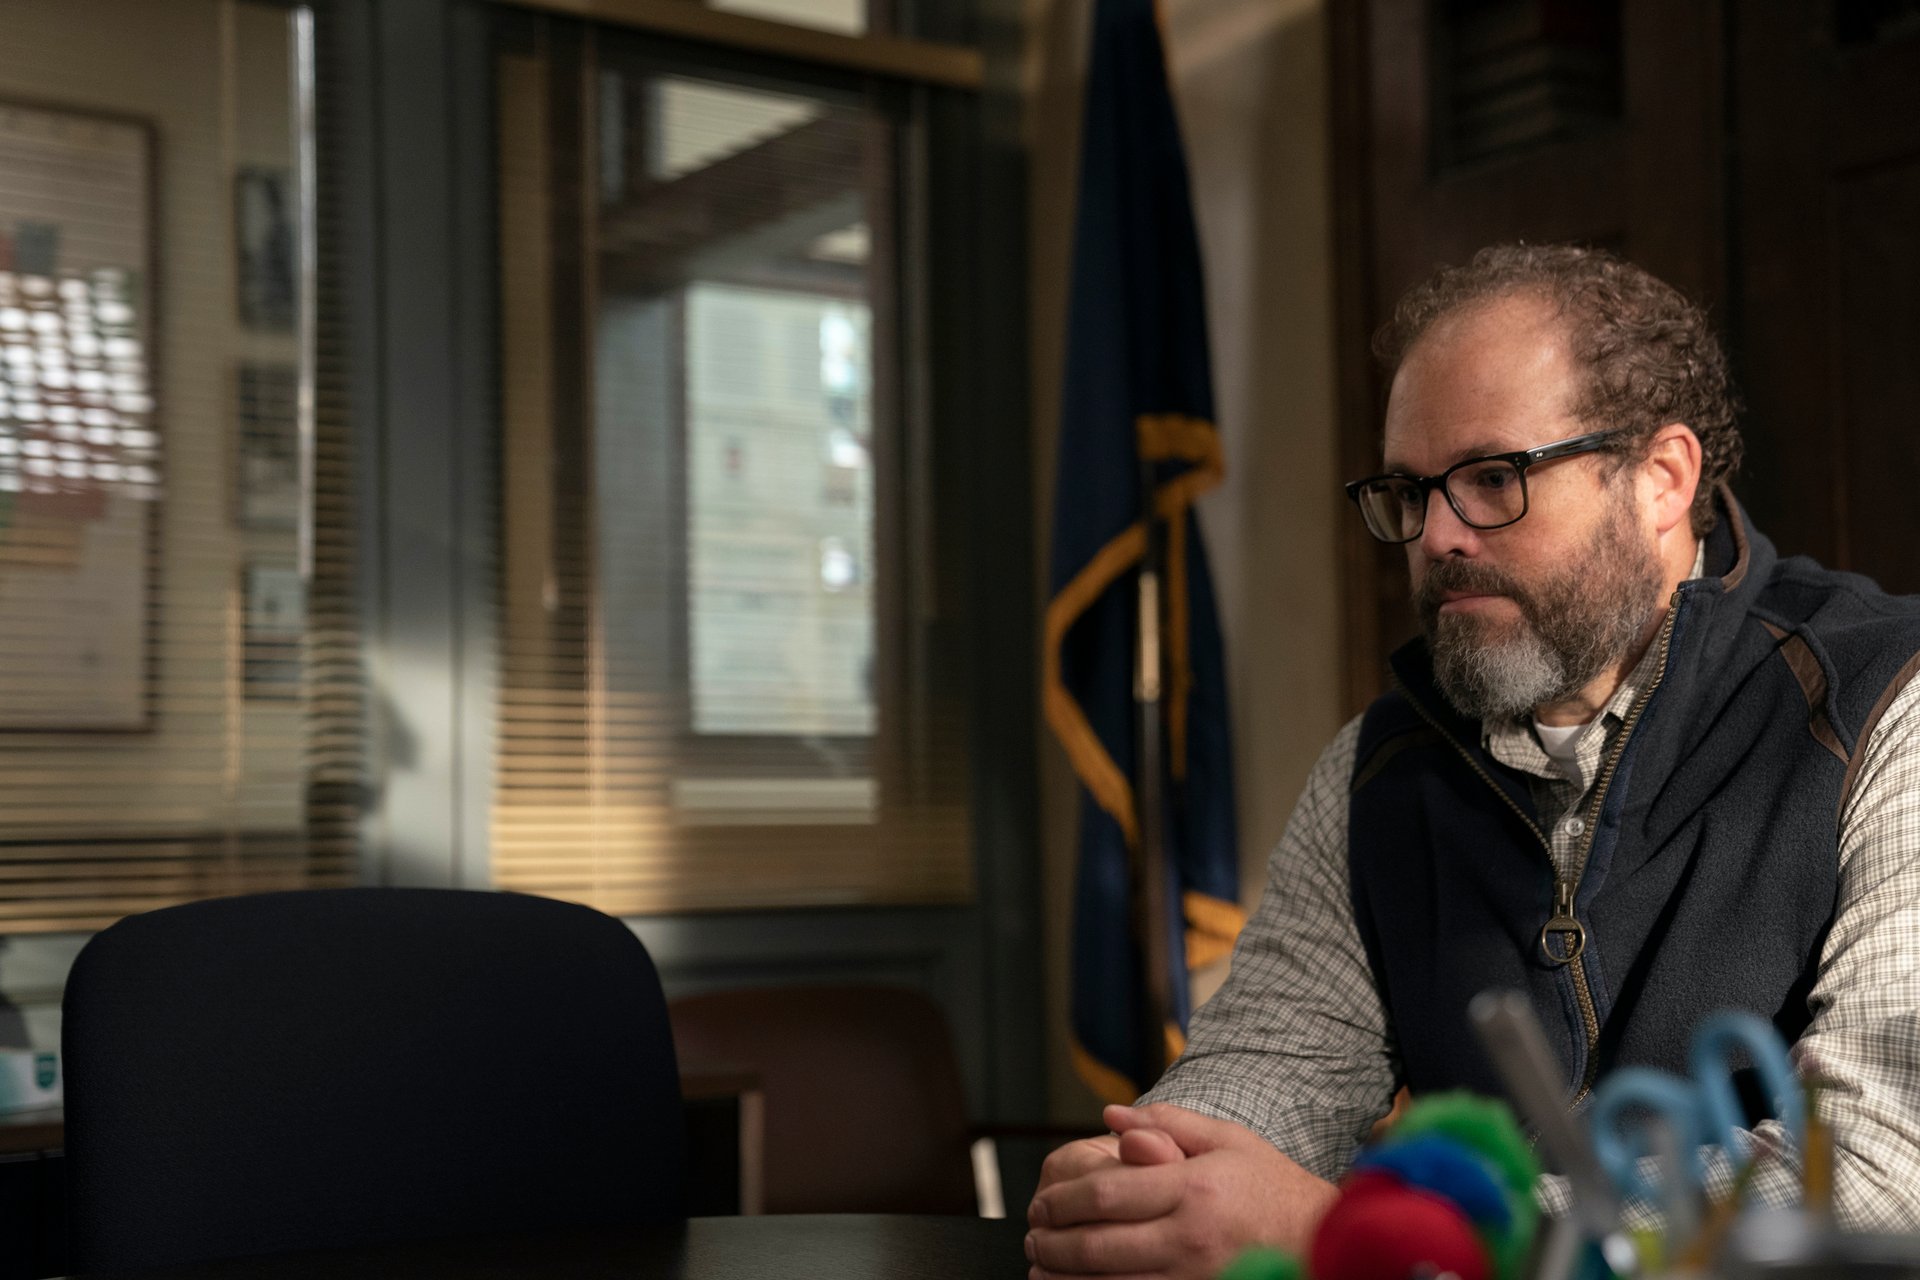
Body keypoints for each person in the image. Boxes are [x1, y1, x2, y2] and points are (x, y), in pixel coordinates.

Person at [1024, 244, 1920, 1280]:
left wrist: (1362, 1230)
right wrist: (1147, 1186)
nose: (1437, 534)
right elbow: (1259, 1084)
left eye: (1494, 476)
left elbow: (1879, 1182)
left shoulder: (1886, 701)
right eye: (1410, 490)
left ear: (1663, 477)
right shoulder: (1379, 768)